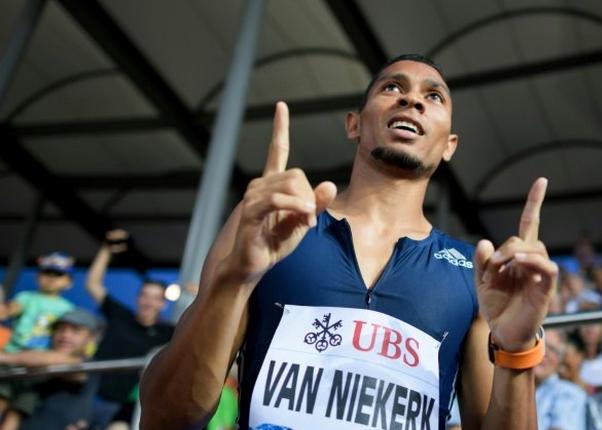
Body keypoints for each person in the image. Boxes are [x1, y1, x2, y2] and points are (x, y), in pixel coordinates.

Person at [139, 54, 559, 429]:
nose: (411, 100)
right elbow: (166, 418)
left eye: (434, 97)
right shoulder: (271, 224)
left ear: (449, 146)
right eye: (392, 87)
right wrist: (232, 280)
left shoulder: (475, 275)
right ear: (353, 124)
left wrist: (517, 353)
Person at [84, 230, 174, 428]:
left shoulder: (168, 333)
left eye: (156, 297)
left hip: (125, 408)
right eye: (145, 295)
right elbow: (93, 284)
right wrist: (106, 250)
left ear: (163, 304)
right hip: (87, 397)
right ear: (137, 298)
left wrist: (203, 295)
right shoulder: (120, 315)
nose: (149, 302)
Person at [0, 309, 100, 430]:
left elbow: (61, 362)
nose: (65, 335)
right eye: (60, 329)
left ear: (91, 338)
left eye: (76, 330)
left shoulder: (91, 366)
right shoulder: (32, 364)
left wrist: (5, 358)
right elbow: (14, 415)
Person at [0, 252, 75, 352]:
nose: (51, 278)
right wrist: (5, 310)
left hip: (45, 359)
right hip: (14, 353)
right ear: (37, 276)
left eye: (58, 274)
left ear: (69, 282)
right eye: (47, 272)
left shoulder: (69, 308)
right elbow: (11, 308)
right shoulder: (26, 297)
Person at [533, 329, 586, 430]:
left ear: (559, 361)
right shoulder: (511, 388)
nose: (545, 353)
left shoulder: (569, 392)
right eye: (540, 344)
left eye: (552, 349)